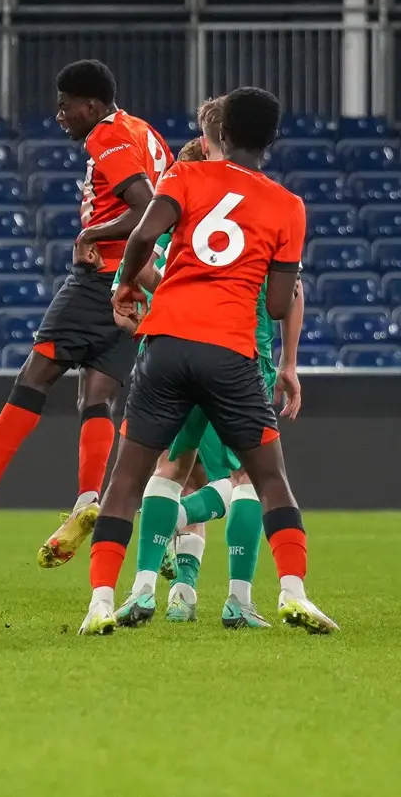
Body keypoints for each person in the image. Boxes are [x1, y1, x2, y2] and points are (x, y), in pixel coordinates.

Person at [79, 86, 337, 636]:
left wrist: (124, 284)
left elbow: (144, 234)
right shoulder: (288, 206)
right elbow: (276, 302)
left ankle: (102, 600)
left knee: (128, 479)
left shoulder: (183, 176)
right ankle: (292, 592)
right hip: (232, 350)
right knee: (268, 480)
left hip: (166, 344)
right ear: (270, 140)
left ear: (219, 133)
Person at [0, 59, 171, 568]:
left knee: (37, 372)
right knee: (97, 394)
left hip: (103, 279)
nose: (59, 116)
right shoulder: (145, 132)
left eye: (65, 105)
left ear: (91, 105)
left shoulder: (108, 136)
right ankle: (88, 501)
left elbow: (145, 207)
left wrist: (91, 234)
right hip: (137, 283)